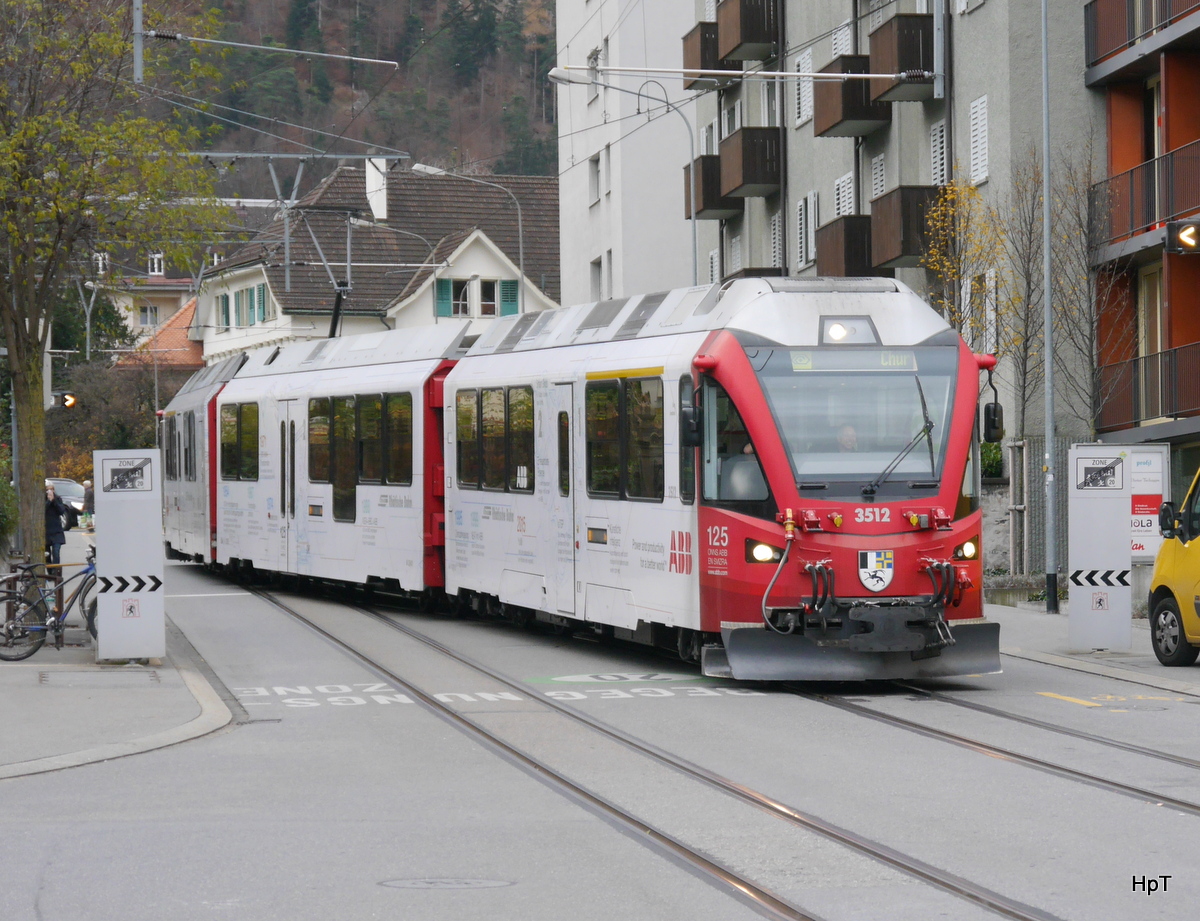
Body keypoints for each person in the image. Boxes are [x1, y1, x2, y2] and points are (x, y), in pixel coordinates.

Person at [45, 482, 67, 565]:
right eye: (47, 490)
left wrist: (54, 501)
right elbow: (42, 510)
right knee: (47, 555)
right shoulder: (42, 499)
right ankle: (50, 573)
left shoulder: (58, 499)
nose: (50, 491)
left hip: (56, 531)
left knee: (56, 552)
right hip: (46, 531)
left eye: (51, 489)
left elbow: (61, 511)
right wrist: (49, 501)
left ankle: (56, 572)